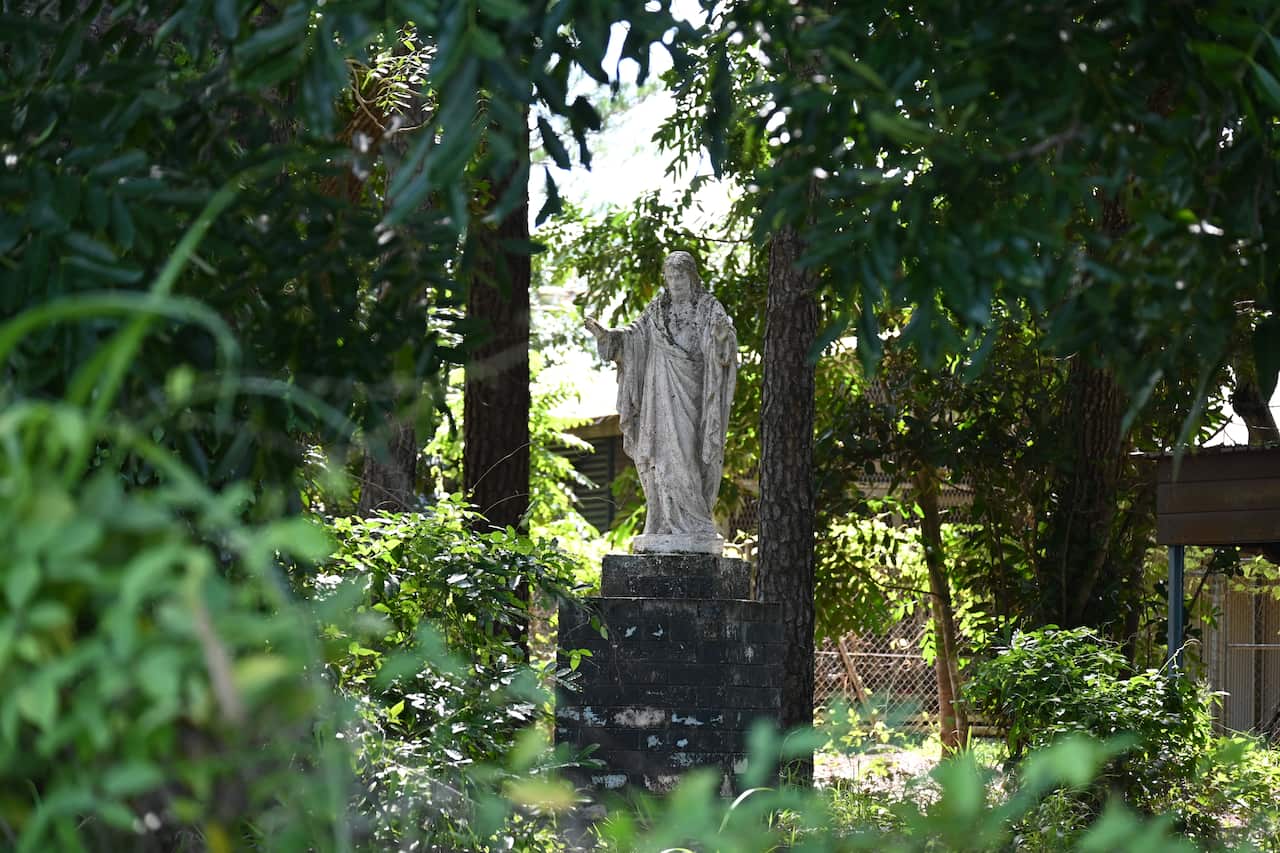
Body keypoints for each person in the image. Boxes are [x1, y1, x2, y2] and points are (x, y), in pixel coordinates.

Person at [584, 250, 737, 554]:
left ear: (692, 277)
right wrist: (609, 337)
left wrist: (722, 337)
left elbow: (724, 340)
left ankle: (694, 522)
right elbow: (632, 336)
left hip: (691, 393)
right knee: (659, 456)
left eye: (681, 275)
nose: (676, 281)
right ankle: (662, 522)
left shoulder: (707, 308)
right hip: (658, 396)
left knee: (686, 455)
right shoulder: (656, 311)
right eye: (671, 276)